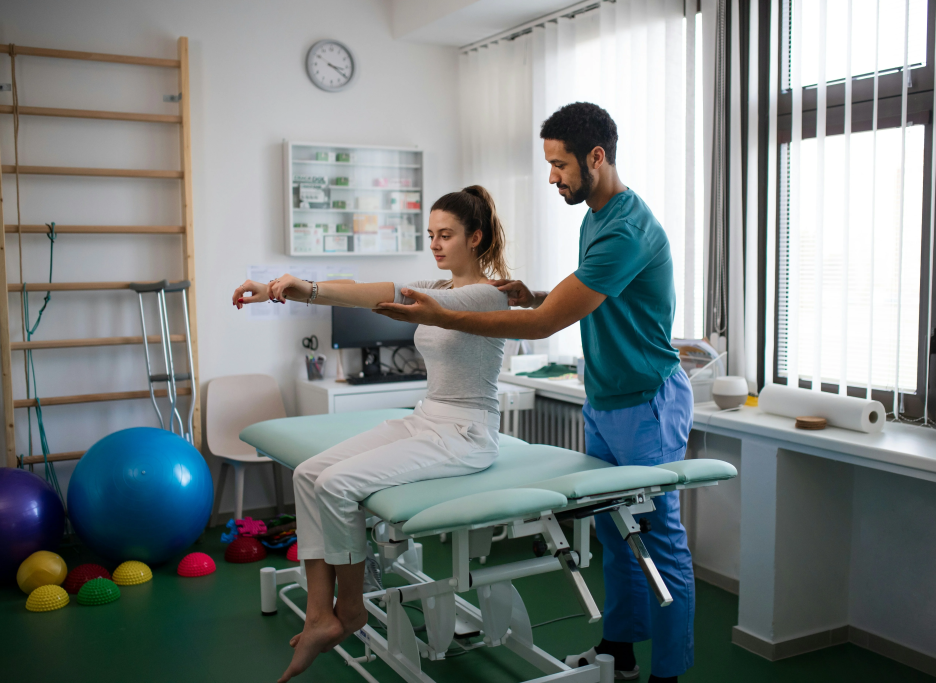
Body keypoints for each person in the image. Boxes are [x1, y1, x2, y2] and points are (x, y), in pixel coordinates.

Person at [376, 102, 694, 683]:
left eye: (559, 165)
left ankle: (667, 675)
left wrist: (451, 314)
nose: (552, 177)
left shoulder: (626, 227)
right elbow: (589, 293)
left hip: (648, 403)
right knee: (613, 531)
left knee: (656, 539)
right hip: (605, 400)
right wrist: (533, 294)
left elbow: (548, 324)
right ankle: (618, 652)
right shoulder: (596, 213)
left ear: (596, 157)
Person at [231, 186, 511, 683]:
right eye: (430, 235)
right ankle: (320, 614)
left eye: (446, 235)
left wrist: (319, 289)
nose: (436, 244)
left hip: (466, 433)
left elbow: (396, 297)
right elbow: (372, 290)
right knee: (312, 472)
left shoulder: (488, 295)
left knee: (339, 485)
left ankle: (353, 608)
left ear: (476, 237)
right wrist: (295, 287)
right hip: (428, 417)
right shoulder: (438, 286)